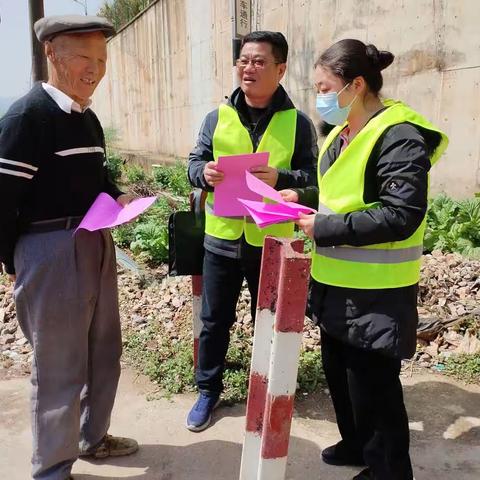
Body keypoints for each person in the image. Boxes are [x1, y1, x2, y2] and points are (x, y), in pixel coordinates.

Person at [282, 39, 448, 480]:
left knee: (375, 388)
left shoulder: (398, 134)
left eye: (325, 87)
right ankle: (356, 444)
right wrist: (301, 196)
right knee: (343, 377)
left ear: (356, 85)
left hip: (377, 292)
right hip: (336, 283)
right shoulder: (341, 132)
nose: (319, 98)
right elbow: (341, 194)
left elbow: (401, 214)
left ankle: (389, 470)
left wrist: (325, 228)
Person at [0, 15, 138, 480]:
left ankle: (92, 437)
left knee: (103, 350)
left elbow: (97, 174)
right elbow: (1, 201)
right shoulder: (26, 119)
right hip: (50, 249)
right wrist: (11, 262)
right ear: (52, 54)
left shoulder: (86, 116)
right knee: (58, 364)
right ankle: (53, 469)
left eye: (101, 59)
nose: (95, 69)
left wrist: (117, 194)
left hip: (95, 239)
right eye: (84, 57)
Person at [187, 31, 318, 432]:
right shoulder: (217, 117)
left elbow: (314, 180)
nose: (249, 68)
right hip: (222, 239)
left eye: (259, 61)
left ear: (280, 69)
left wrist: (282, 177)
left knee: (272, 321)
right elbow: (193, 163)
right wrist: (202, 174)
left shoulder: (298, 124)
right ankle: (208, 390)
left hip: (272, 242)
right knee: (214, 321)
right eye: (244, 60)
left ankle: (272, 390)